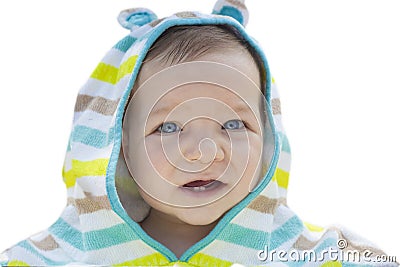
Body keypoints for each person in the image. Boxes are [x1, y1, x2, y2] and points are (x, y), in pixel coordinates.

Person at [0, 1, 397, 266]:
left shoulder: (319, 255)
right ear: (116, 147)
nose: (202, 152)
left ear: (270, 140)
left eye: (234, 124)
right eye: (167, 127)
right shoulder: (50, 258)